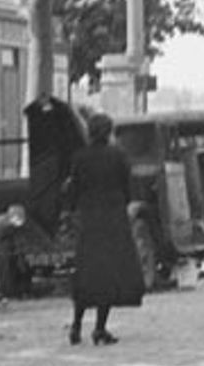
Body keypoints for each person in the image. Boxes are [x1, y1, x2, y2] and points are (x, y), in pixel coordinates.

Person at [62, 111, 145, 345]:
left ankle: (76, 325)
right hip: (113, 220)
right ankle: (99, 328)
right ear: (108, 132)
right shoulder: (118, 156)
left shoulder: (79, 158)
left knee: (86, 274)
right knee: (109, 275)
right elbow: (128, 187)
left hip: (89, 221)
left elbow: (73, 190)